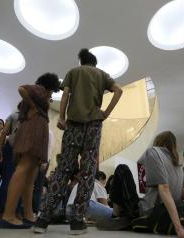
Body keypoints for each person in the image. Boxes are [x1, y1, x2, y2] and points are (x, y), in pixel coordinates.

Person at [34, 48, 123, 235]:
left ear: (81, 61)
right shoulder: (102, 74)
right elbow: (118, 90)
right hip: (94, 126)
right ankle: (77, 221)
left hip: (73, 125)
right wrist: (105, 113)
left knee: (63, 169)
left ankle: (43, 219)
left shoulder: (73, 72)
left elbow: (65, 94)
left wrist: (62, 118)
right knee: (88, 172)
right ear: (94, 62)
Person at [106, 132, 184, 238]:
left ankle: (115, 216)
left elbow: (164, 188)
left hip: (151, 213)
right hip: (167, 212)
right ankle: (119, 214)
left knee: (122, 168)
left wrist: (179, 228)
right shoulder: (178, 164)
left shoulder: (153, 152)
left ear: (158, 142)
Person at [0, 73, 60, 229]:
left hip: (36, 131)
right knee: (24, 168)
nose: (51, 94)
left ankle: (28, 214)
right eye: (52, 90)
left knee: (30, 175)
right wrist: (33, 107)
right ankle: (9, 215)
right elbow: (22, 88)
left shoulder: (41, 94)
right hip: (33, 130)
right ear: (49, 85)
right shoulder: (40, 89)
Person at [0, 103, 21, 222]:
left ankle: (1, 212)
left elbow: (4, 133)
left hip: (10, 149)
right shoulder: (32, 118)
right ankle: (17, 212)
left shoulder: (13, 115)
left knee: (6, 181)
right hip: (24, 152)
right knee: (21, 182)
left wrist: (0, 150)